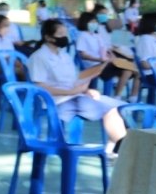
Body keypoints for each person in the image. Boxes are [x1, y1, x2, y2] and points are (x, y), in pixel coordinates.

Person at [27, 19, 129, 155]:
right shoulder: (39, 57)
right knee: (110, 109)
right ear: (48, 37)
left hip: (74, 95)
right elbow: (40, 86)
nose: (65, 37)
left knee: (122, 107)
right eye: (60, 34)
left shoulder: (64, 55)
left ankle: (114, 148)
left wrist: (87, 89)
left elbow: (74, 79)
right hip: (56, 101)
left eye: (65, 33)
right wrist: (70, 92)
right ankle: (121, 149)